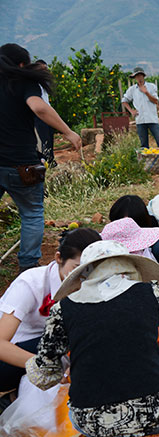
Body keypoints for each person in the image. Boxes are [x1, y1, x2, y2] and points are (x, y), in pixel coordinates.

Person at [25, 240, 159, 437]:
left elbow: (44, 375)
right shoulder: (151, 293)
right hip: (154, 415)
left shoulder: (62, 309)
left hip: (89, 423)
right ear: (127, 266)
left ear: (85, 273)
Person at [0, 43, 82, 272]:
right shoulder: (24, 82)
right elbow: (39, 107)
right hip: (22, 164)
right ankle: (27, 266)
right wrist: (68, 132)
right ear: (22, 64)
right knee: (32, 213)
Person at [0, 228, 101, 408]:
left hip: (49, 351)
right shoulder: (31, 283)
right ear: (58, 258)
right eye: (75, 269)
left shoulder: (94, 285)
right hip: (13, 354)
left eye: (90, 271)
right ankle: (12, 394)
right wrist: (42, 366)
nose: (82, 278)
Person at [122, 67, 159, 149]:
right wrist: (131, 111)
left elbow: (156, 101)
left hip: (152, 118)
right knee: (144, 144)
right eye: (136, 76)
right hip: (140, 120)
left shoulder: (151, 86)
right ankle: (146, 160)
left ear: (143, 76)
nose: (139, 78)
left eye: (140, 75)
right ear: (135, 78)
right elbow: (124, 100)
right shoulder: (132, 89)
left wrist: (146, 92)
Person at [33, 60, 55, 166]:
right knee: (43, 139)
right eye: (42, 69)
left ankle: (51, 159)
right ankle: (45, 161)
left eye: (46, 69)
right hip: (39, 115)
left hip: (48, 113)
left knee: (50, 137)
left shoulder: (45, 84)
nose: (45, 71)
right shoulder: (33, 85)